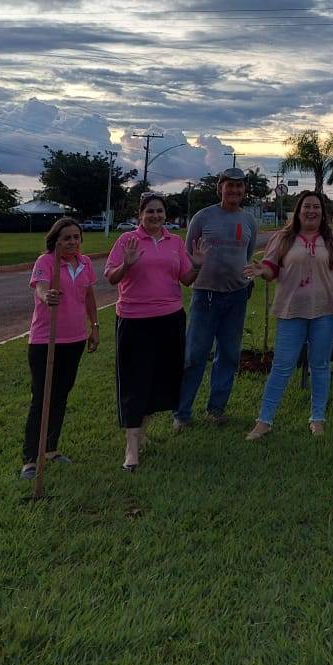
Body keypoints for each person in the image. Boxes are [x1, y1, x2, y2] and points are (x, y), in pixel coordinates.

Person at [243, 191, 333, 439]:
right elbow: (271, 269)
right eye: (307, 206)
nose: (311, 211)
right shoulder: (284, 237)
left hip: (325, 312)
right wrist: (262, 270)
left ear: (323, 212)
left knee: (320, 366)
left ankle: (317, 419)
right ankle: (264, 421)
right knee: (282, 366)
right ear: (298, 210)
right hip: (291, 310)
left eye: (316, 207)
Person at [105, 192, 202, 470]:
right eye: (150, 212)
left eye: (160, 212)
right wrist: (128, 264)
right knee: (135, 380)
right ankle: (131, 448)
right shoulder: (127, 240)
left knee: (162, 380)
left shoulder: (175, 242)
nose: (156, 216)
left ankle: (141, 432)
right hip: (135, 320)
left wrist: (197, 264)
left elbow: (185, 279)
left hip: (170, 319)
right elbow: (112, 278)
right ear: (140, 215)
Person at [173, 167, 259, 431]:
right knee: (194, 355)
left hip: (237, 296)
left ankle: (216, 409)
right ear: (219, 188)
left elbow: (247, 255)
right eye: (228, 185)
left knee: (229, 354)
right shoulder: (203, 217)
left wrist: (247, 279)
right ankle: (182, 413)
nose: (234, 190)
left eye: (239, 186)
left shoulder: (248, 221)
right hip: (205, 296)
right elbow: (189, 255)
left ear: (244, 190)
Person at [21, 218, 99, 480]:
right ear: (56, 240)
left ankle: (51, 449)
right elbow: (41, 288)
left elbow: (88, 295)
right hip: (46, 341)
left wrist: (94, 326)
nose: (72, 242)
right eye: (67, 238)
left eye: (76, 237)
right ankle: (30, 459)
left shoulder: (85, 262)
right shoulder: (45, 262)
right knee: (42, 397)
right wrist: (47, 296)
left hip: (74, 339)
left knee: (61, 395)